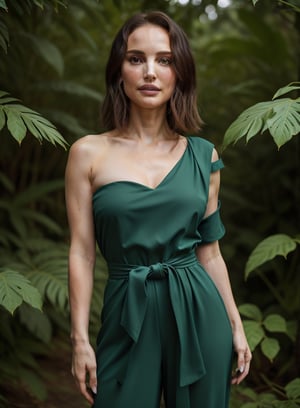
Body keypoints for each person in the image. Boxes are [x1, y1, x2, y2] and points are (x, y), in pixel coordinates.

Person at [65, 11, 251, 408]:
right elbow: (82, 252)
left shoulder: (204, 157)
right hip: (126, 310)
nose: (150, 71)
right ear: (119, 71)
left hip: (199, 310)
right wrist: (79, 339)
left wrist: (237, 326)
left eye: (164, 60)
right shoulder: (88, 153)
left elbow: (210, 252)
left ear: (179, 73)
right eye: (136, 59)